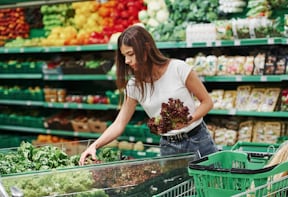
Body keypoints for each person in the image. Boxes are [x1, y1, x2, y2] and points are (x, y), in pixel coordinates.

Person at [79, 25, 217, 165]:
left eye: (131, 54)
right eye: (124, 56)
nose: (126, 61)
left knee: (211, 184)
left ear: (146, 48)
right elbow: (119, 123)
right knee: (180, 186)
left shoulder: (178, 69)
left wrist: (187, 120)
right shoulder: (134, 85)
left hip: (198, 140)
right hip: (169, 148)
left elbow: (207, 102)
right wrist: (94, 145)